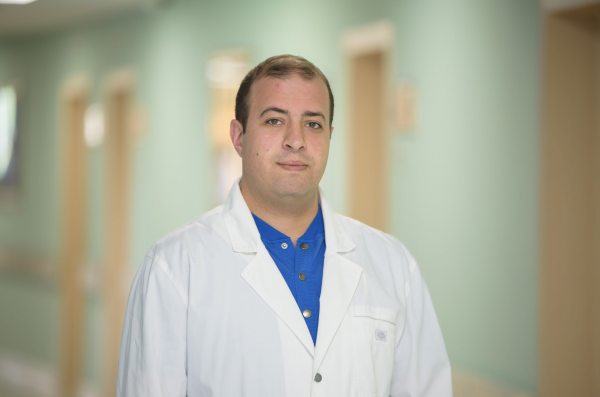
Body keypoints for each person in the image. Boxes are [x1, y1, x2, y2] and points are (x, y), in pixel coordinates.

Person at [116, 54, 452, 397]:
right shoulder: (174, 267)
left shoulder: (393, 264)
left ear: (330, 137)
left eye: (313, 124)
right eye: (275, 121)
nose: (296, 140)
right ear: (239, 137)